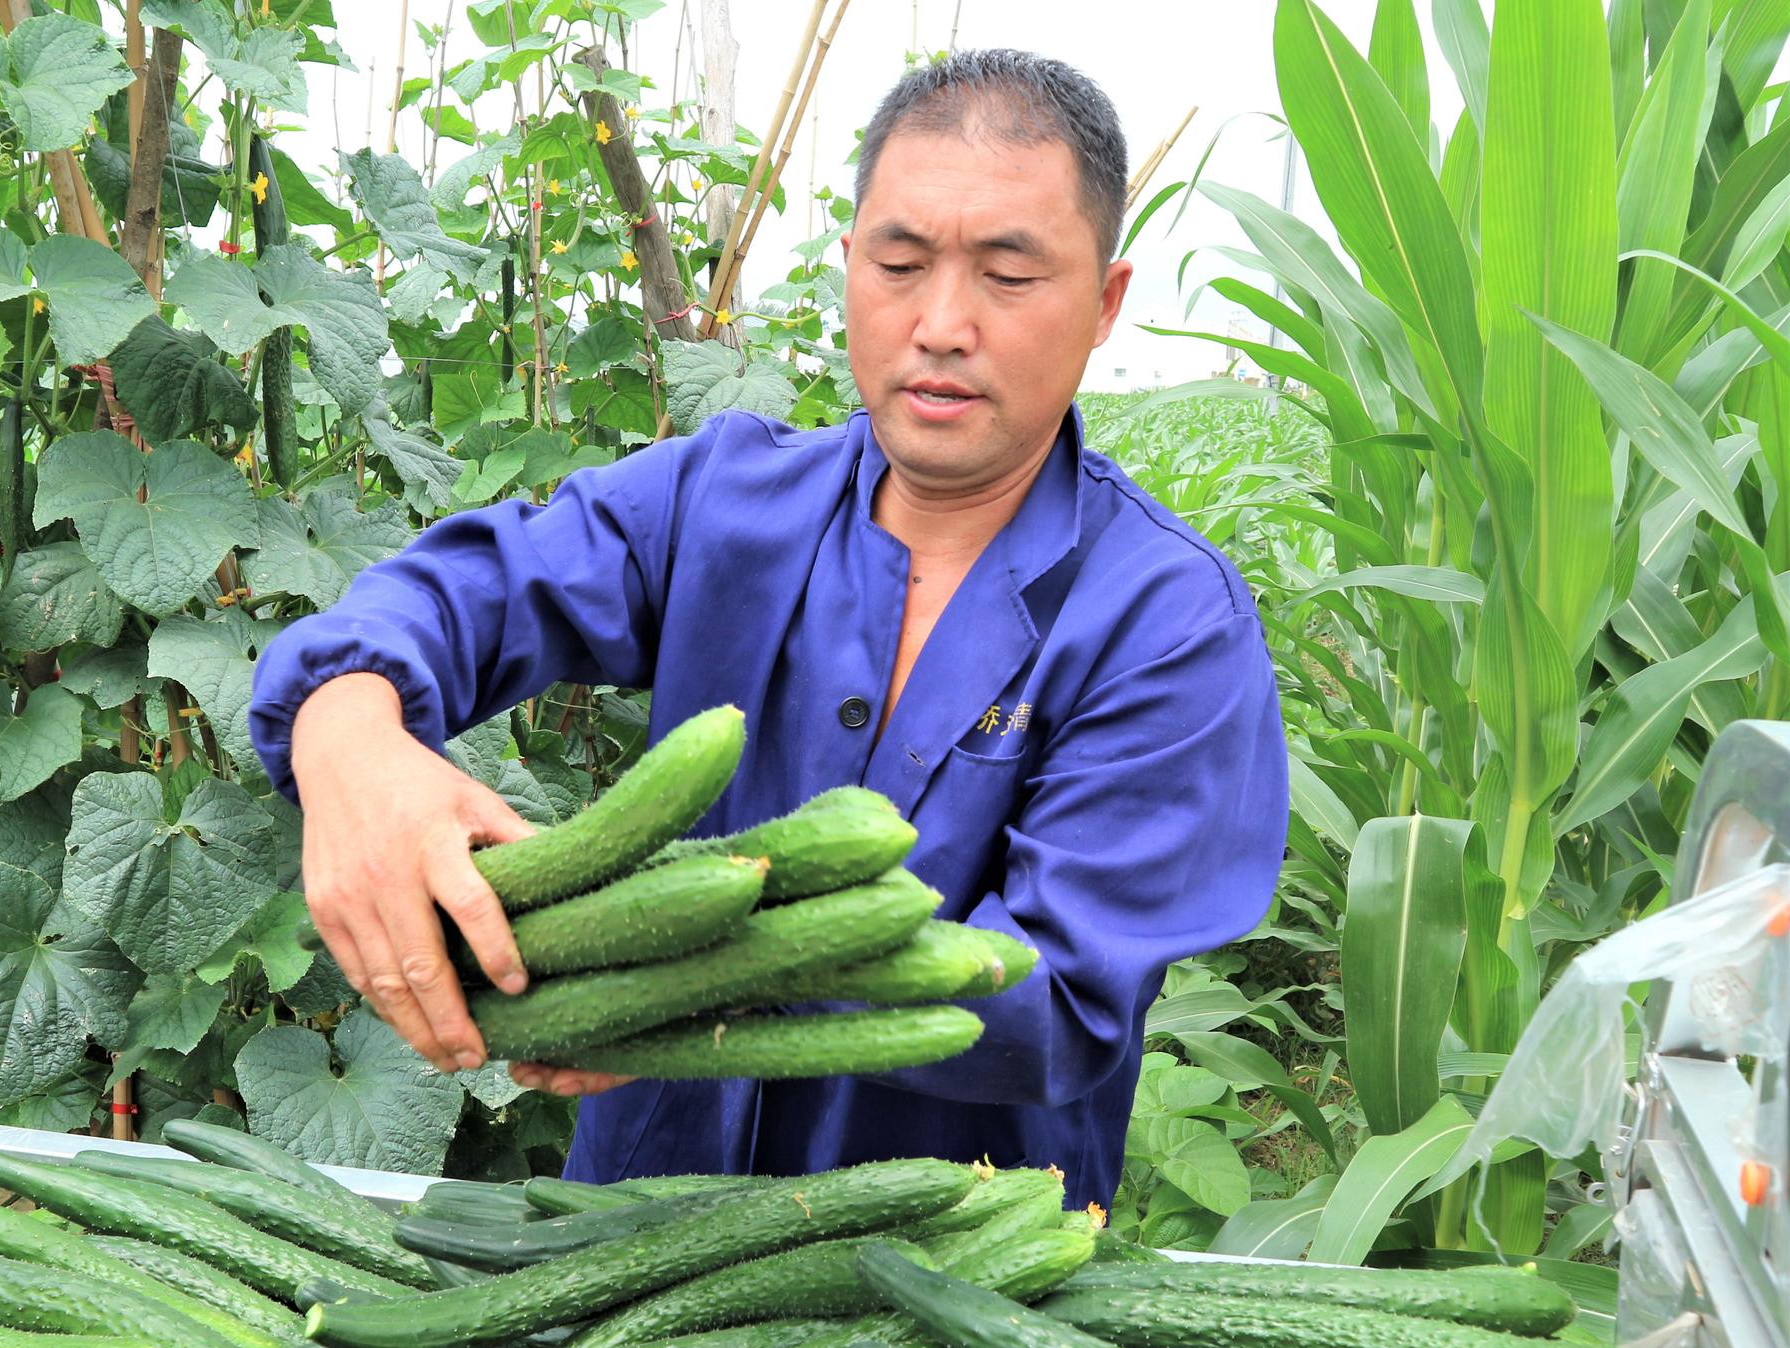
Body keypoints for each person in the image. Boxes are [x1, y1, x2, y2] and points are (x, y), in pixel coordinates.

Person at [249, 49, 1289, 1207]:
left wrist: (685, 981)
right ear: (849, 267)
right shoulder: (722, 500)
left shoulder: (1166, 621)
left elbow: (1054, 1005)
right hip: (627, 1244)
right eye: (899, 263)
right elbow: (472, 590)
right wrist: (343, 720)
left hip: (945, 1302)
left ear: (1102, 302)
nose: (940, 324)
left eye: (1007, 276)